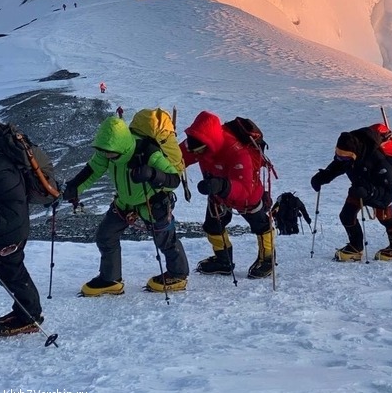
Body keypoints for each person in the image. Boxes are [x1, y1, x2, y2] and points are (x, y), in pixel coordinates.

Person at [63, 116, 188, 295]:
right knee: (106, 235)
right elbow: (93, 169)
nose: (107, 156)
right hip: (124, 202)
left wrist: (151, 173)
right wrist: (75, 187)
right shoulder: (109, 149)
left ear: (122, 146)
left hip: (152, 202)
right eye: (104, 151)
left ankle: (178, 275)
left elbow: (173, 179)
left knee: (166, 239)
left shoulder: (148, 151)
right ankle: (110, 279)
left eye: (110, 153)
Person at [180, 111, 273, 279]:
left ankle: (267, 260)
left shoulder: (237, 152)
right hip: (218, 196)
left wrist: (221, 185)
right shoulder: (198, 142)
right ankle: (224, 261)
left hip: (247, 197)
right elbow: (179, 157)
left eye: (199, 150)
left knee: (261, 225)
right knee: (213, 226)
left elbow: (244, 188)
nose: (196, 153)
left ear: (208, 143)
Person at [310, 123, 392, 261]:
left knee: (384, 217)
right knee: (346, 215)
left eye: (345, 158)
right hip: (358, 187)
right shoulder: (347, 155)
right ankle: (356, 247)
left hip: (377, 188)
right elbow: (338, 165)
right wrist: (324, 176)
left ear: (354, 154)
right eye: (339, 156)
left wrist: (369, 193)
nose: (342, 161)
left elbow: (387, 194)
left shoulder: (378, 160)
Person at [0, 126, 44, 336]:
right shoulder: (0, 159)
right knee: (8, 271)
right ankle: (26, 312)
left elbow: (9, 204)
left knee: (11, 271)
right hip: (10, 225)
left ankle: (29, 315)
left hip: (7, 229)